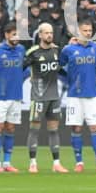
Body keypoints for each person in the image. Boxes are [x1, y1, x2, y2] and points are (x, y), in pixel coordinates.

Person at [62, 21, 96, 173]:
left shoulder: (95, 47)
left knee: (95, 127)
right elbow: (59, 67)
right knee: (76, 127)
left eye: (90, 30)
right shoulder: (68, 50)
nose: (88, 33)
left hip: (92, 94)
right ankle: (79, 162)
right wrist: (69, 80)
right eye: (85, 30)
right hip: (74, 95)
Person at [0, 26, 28, 173]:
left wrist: (21, 78)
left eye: (18, 35)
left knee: (11, 128)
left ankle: (7, 163)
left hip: (15, 96)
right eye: (14, 34)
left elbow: (26, 68)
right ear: (6, 35)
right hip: (0, 96)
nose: (16, 37)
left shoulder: (21, 49)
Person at [26, 23, 67, 174]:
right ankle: (33, 163)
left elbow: (62, 70)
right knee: (34, 130)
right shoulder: (33, 52)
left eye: (51, 33)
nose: (49, 35)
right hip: (38, 97)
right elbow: (21, 68)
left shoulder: (57, 50)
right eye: (46, 33)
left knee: (54, 130)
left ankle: (56, 163)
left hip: (54, 97)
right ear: (40, 35)